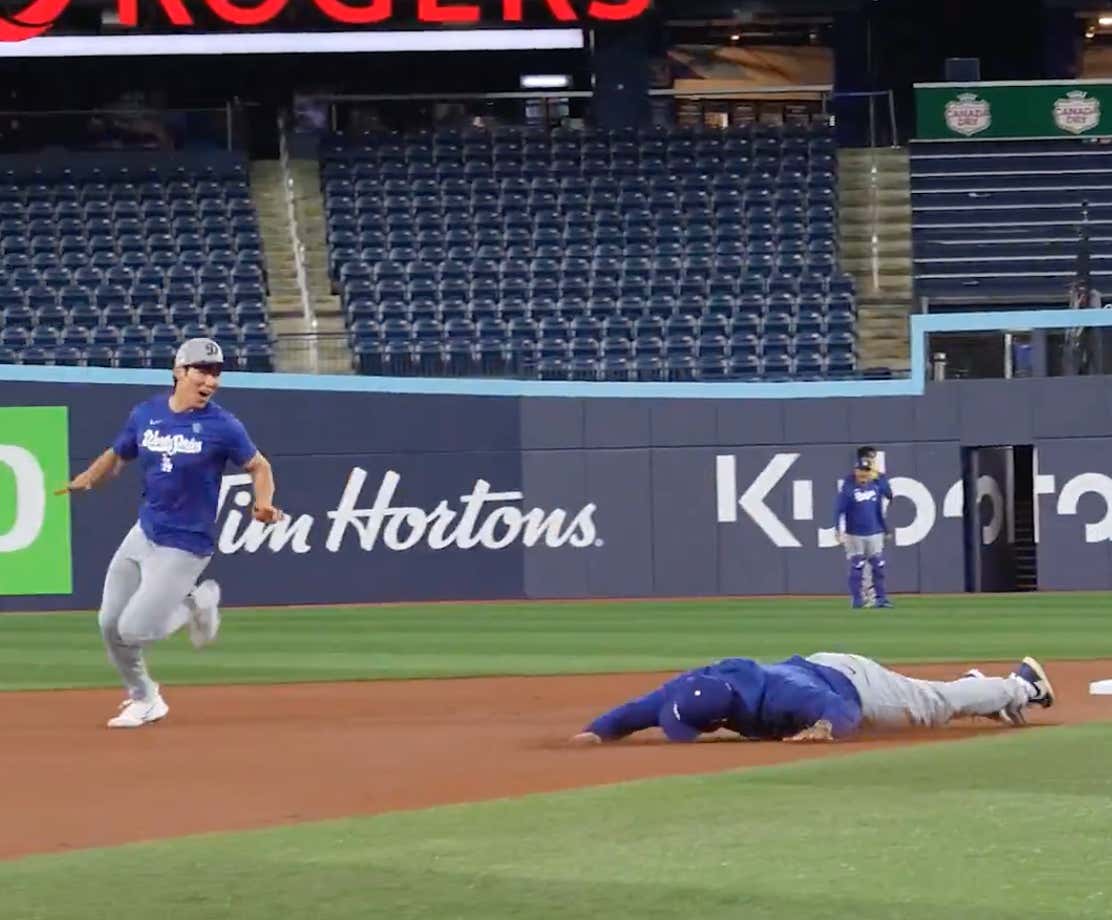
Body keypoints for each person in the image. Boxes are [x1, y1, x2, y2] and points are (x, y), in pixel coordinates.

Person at [57, 338, 282, 729]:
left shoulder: (222, 425)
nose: (210, 380)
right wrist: (89, 478)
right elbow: (119, 452)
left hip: (185, 545)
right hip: (144, 533)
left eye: (216, 373)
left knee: (133, 630)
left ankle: (197, 602)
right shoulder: (147, 413)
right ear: (179, 371)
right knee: (109, 624)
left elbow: (259, 466)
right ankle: (145, 699)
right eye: (202, 370)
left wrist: (262, 503)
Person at [570, 654, 1054, 745]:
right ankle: (980, 689)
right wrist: (597, 730)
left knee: (934, 707)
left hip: (852, 684)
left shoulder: (782, 697)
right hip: (814, 671)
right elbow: (637, 712)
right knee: (939, 700)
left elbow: (840, 712)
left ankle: (1024, 685)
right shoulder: (688, 689)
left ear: (719, 717)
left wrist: (824, 729)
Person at [834, 445, 893, 609]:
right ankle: (859, 599)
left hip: (874, 531)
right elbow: (839, 508)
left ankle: (879, 598)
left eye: (872, 459)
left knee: (878, 565)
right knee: (858, 565)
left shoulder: (876, 482)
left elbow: (887, 496)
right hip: (855, 532)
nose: (866, 470)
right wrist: (837, 530)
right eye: (869, 459)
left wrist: (885, 528)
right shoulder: (849, 483)